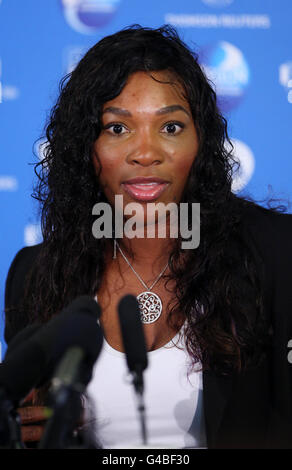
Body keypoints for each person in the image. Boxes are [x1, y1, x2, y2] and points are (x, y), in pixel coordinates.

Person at [3, 24, 292, 449]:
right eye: (117, 128)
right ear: (86, 147)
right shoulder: (34, 275)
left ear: (202, 141)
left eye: (171, 127)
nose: (145, 153)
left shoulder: (276, 253)